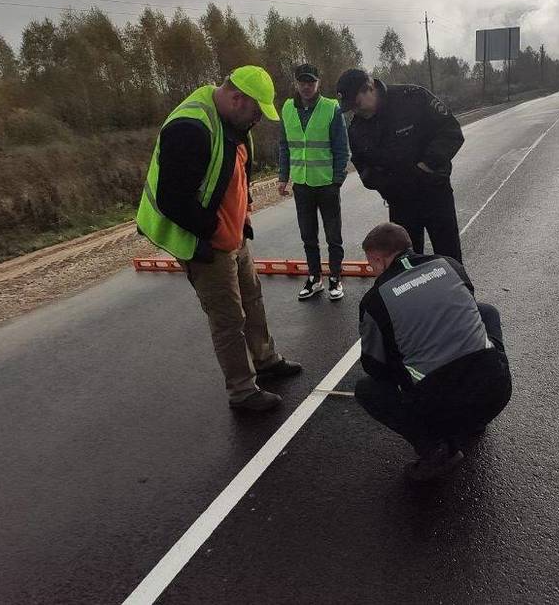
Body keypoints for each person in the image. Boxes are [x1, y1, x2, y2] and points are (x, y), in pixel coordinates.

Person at [136, 66, 302, 411]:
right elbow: (172, 200)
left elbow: (236, 171)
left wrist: (241, 218)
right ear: (237, 98)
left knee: (252, 298)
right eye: (256, 111)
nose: (258, 119)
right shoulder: (190, 128)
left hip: (232, 233)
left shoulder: (236, 121)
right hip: (203, 242)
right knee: (229, 317)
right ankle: (243, 391)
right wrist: (213, 233)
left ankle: (265, 360)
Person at [354, 222, 512, 481]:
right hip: (497, 392)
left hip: (443, 406)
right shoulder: (449, 264)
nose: (372, 270)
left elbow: (374, 366)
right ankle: (474, 420)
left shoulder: (374, 299)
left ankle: (436, 450)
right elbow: (466, 307)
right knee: (487, 311)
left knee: (367, 389)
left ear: (378, 259)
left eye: (371, 264)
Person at [336, 69, 464, 262]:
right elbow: (363, 166)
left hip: (434, 193)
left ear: (369, 88)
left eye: (356, 104)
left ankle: (457, 293)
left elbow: (451, 132)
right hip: (400, 202)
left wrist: (425, 166)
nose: (355, 110)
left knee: (450, 259)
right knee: (406, 265)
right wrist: (385, 185)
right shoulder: (357, 128)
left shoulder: (412, 98)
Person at [278, 63, 350, 301]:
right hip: (302, 185)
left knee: (333, 236)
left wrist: (337, 180)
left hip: (327, 184)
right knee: (308, 235)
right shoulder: (287, 108)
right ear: (296, 84)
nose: (307, 86)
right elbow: (285, 146)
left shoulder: (331, 109)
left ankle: (335, 278)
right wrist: (283, 177)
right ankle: (315, 278)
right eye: (302, 82)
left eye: (311, 82)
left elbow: (341, 148)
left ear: (318, 83)